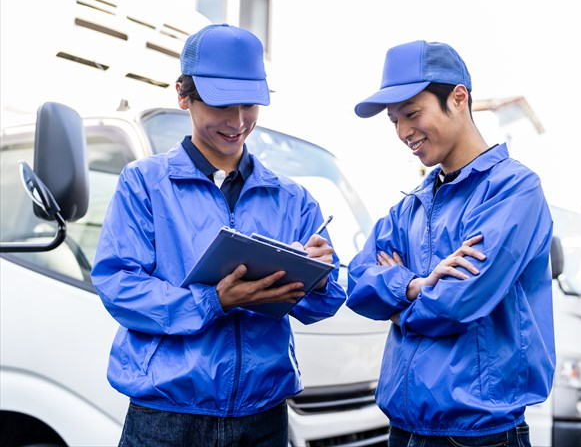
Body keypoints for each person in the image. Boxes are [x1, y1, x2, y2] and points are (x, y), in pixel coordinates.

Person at [91, 23, 346, 447]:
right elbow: (119, 286)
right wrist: (214, 301)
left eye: (249, 104)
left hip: (263, 418)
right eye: (221, 104)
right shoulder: (144, 183)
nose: (238, 121)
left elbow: (321, 306)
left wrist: (321, 276)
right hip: (167, 416)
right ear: (182, 96)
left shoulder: (292, 198)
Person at [346, 40, 555, 446]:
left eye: (412, 113)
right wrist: (415, 286)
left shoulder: (513, 190)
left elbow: (459, 302)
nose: (404, 132)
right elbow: (356, 281)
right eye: (394, 121)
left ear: (458, 99)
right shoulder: (412, 205)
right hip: (404, 430)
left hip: (479, 436)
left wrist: (395, 305)